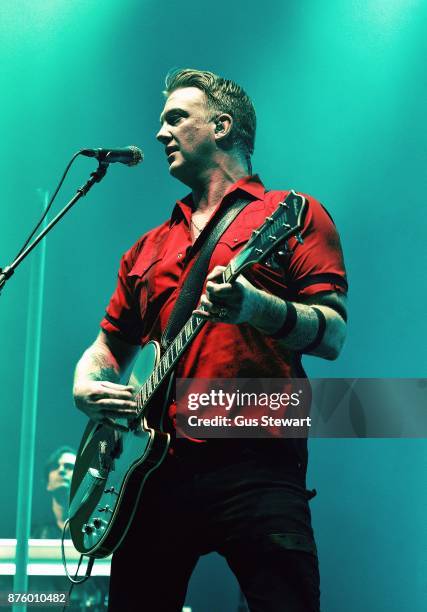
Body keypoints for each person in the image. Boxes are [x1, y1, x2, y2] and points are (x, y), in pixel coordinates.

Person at [73, 68, 348, 612]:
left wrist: (255, 306)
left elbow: (333, 333)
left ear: (222, 126)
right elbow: (109, 347)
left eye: (176, 118)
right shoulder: (148, 247)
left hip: (258, 460)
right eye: (161, 121)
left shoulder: (289, 214)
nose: (159, 134)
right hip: (152, 472)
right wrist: (86, 382)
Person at [32, 446, 76, 539]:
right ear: (48, 484)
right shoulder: (34, 530)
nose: (61, 470)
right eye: (55, 466)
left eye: (68, 466)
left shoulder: (94, 525)